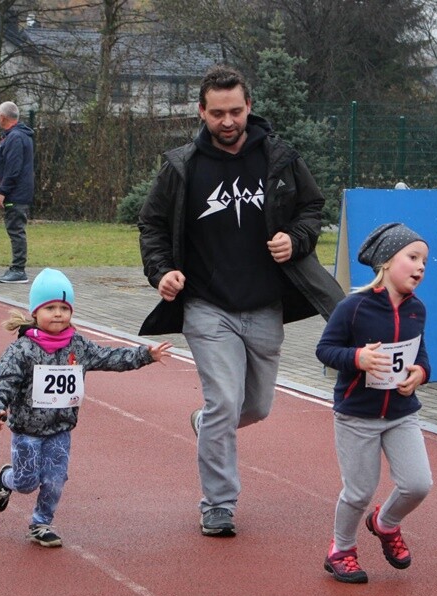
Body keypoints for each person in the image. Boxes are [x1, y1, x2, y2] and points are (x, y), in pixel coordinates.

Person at [137, 64, 345, 537]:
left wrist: (296, 239)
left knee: (255, 407)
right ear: (201, 111)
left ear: (249, 107)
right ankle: (218, 503)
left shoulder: (280, 158)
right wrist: (161, 272)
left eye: (235, 111)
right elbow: (151, 224)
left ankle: (206, 422)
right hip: (206, 306)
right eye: (217, 113)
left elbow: (312, 209)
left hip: (265, 305)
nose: (227, 121)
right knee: (225, 400)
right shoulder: (182, 166)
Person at [0, 268, 172, 546]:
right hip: (27, 431)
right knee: (26, 482)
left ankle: (41, 523)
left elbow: (110, 356)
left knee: (55, 480)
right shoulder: (22, 350)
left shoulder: (78, 345)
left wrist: (145, 355)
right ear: (35, 312)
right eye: (50, 308)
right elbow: (1, 382)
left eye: (64, 308)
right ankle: (6, 477)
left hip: (60, 429)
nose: (58, 314)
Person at [315, 223, 433, 584]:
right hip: (357, 415)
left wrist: (420, 375)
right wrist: (358, 358)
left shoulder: (417, 310)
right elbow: (325, 350)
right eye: (412, 257)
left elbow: (421, 354)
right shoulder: (353, 307)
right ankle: (342, 549)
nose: (421, 267)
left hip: (401, 414)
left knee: (418, 484)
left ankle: (385, 523)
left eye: (425, 261)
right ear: (385, 261)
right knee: (359, 491)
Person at [0, 101, 35, 284]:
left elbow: (12, 168)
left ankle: (18, 270)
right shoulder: (15, 136)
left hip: (15, 194)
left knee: (16, 230)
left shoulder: (15, 138)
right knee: (15, 229)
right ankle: (16, 268)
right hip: (16, 192)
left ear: (2, 117)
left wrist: (2, 191)